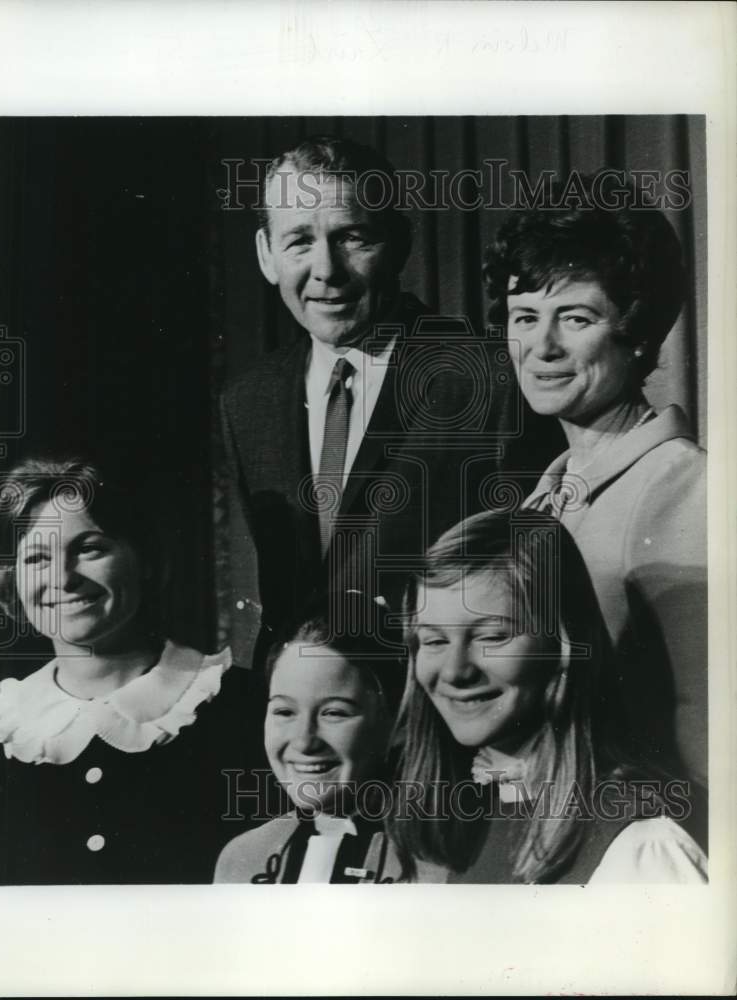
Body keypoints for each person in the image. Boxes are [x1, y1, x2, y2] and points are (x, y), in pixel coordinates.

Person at [221, 134, 538, 670]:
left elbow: (523, 591)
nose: (326, 269)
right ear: (266, 255)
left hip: (438, 720)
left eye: (352, 237)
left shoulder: (489, 378)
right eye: (299, 241)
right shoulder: (248, 401)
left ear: (399, 241)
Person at [482, 182, 707, 812]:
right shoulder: (537, 502)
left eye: (575, 318)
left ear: (638, 332)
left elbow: (708, 740)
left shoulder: (686, 490)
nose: (542, 346)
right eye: (524, 316)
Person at [388, 509, 708, 884]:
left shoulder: (639, 846)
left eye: (492, 636)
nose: (455, 671)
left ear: (562, 645)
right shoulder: (471, 823)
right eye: (434, 640)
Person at [0, 457, 265, 884]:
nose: (63, 578)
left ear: (146, 559)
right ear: (10, 580)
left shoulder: (244, 708)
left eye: (90, 548)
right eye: (36, 558)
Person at [214, 591, 405, 883]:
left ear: (394, 724)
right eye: (284, 712)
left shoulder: (434, 863)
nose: (304, 741)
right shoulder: (242, 859)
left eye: (334, 713)